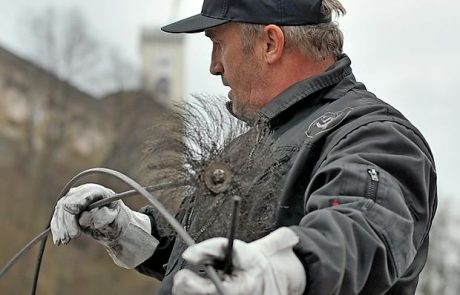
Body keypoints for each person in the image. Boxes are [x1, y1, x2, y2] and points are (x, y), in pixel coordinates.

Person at [50, 0, 438, 294]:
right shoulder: (250, 144)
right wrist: (129, 228)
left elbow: (361, 231)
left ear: (270, 43)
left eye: (218, 43)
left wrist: (282, 269)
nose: (214, 66)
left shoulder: (373, 135)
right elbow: (205, 247)